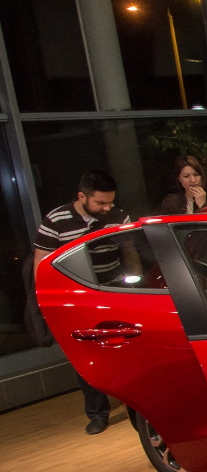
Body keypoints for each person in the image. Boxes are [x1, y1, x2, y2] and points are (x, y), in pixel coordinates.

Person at [33, 170, 132, 435]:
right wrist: (47, 299)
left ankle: (135, 403)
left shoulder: (118, 216)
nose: (107, 207)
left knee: (126, 349)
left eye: (110, 202)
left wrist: (135, 286)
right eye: (101, 203)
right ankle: (97, 413)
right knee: (86, 356)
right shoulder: (56, 220)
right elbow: (41, 262)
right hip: (77, 297)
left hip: (113, 290)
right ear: (82, 196)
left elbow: (129, 251)